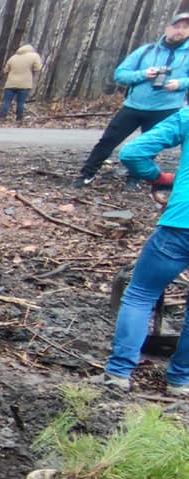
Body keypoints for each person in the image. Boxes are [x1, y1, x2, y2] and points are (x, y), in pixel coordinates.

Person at [93, 107, 189, 394]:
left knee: (140, 294)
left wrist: (156, 176)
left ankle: (118, 374)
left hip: (180, 223)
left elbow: (133, 152)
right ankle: (180, 380)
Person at [75, 13, 189, 188]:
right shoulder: (147, 51)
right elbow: (120, 74)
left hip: (166, 108)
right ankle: (86, 174)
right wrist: (143, 74)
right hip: (134, 106)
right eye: (177, 27)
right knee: (108, 140)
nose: (180, 31)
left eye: (185, 28)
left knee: (149, 146)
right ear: (168, 28)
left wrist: (180, 83)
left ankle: (134, 178)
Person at [0, 44, 44, 122]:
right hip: (25, 84)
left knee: (6, 101)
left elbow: (5, 70)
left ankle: (2, 117)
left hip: (10, 84)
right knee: (20, 103)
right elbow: (38, 68)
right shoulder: (34, 56)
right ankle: (19, 119)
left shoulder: (13, 57)